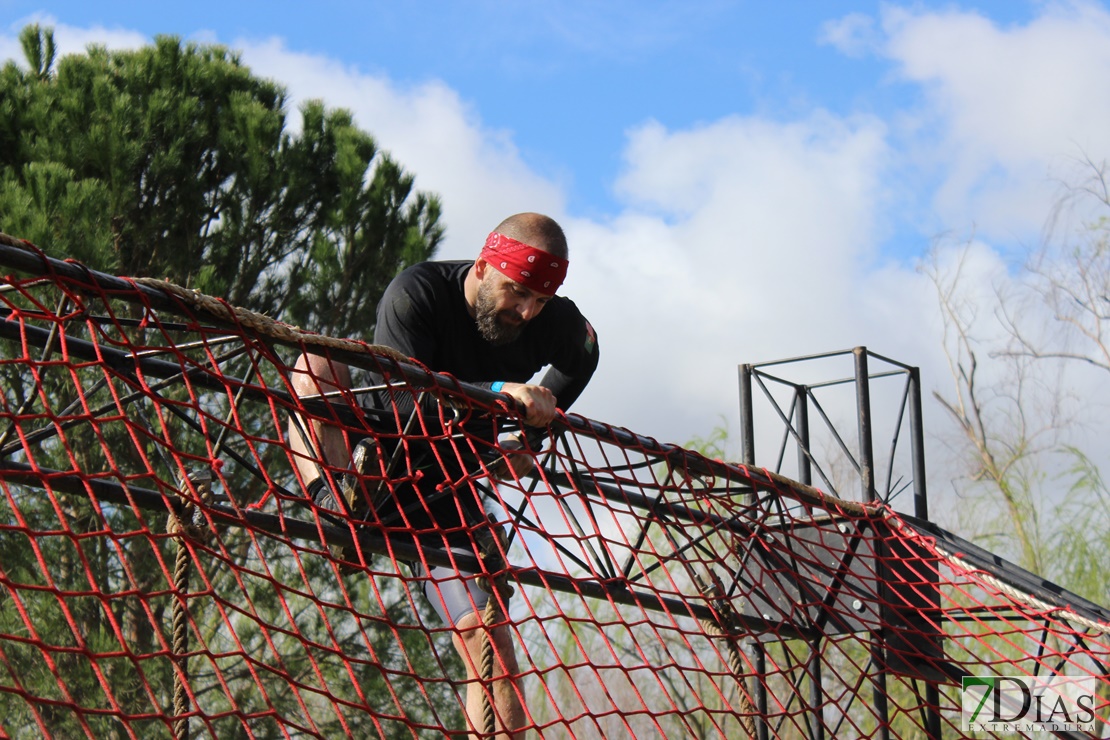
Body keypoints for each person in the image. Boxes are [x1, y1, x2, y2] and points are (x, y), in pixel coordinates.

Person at [287, 212, 599, 738]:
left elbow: (585, 355)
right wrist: (500, 392)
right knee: (315, 361)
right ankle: (335, 505)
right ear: (482, 266)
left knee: (489, 638)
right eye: (516, 292)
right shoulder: (418, 292)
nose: (526, 311)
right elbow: (400, 395)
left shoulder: (554, 322)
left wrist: (526, 437)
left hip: (444, 484)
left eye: (540, 301)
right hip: (374, 454)